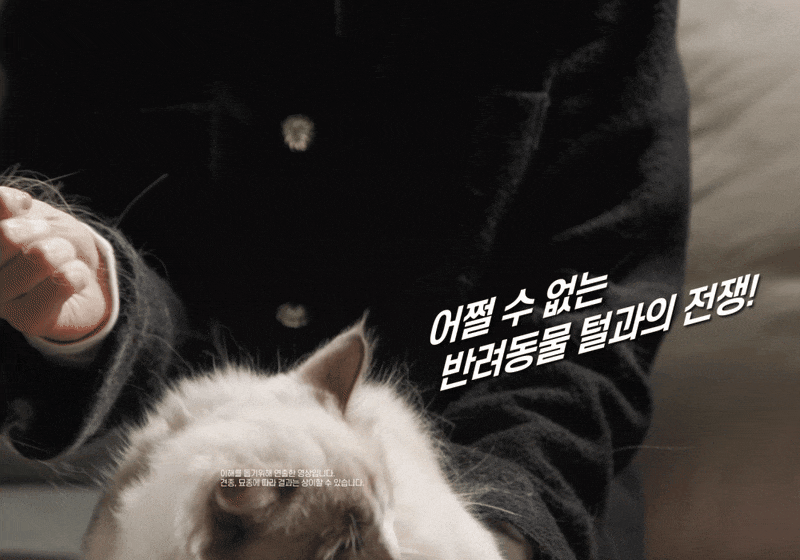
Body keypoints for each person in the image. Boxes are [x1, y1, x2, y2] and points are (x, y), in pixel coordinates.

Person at [0, 1, 690, 558]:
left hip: (502, 504)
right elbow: (82, 235)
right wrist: (94, 311)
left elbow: (589, 321)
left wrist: (489, 532)